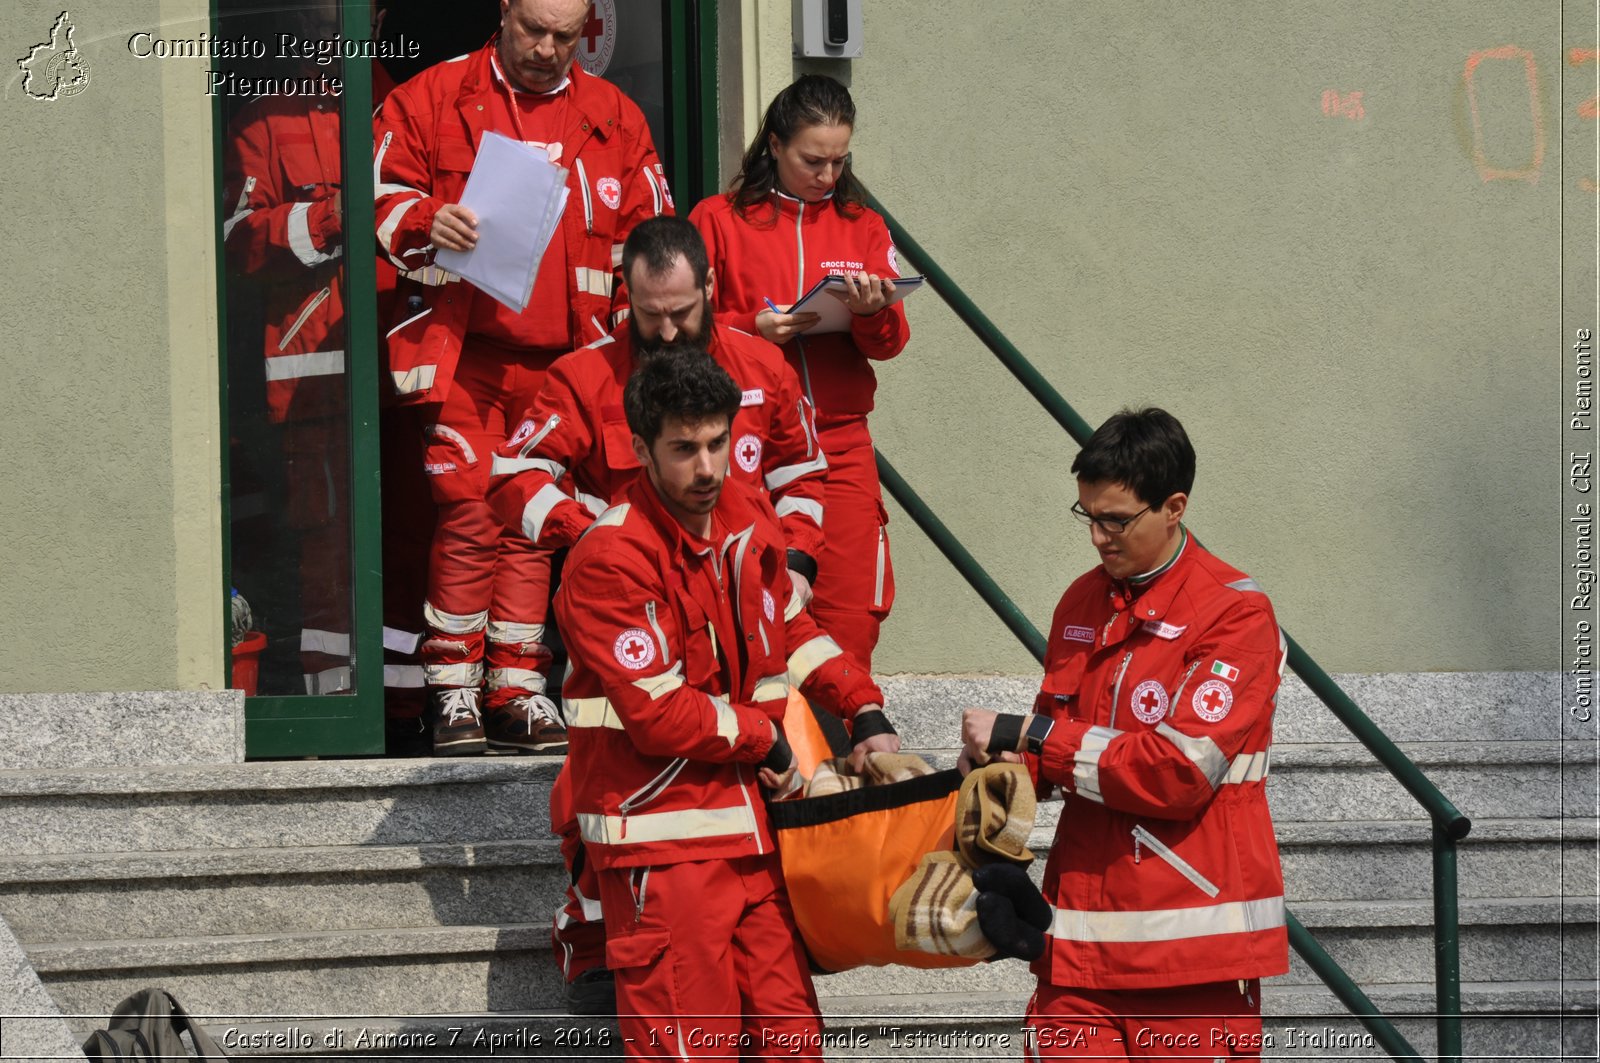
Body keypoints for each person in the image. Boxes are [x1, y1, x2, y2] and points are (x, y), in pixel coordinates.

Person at [484, 215, 831, 1010]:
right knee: (607, 821)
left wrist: (795, 568)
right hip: (630, 646)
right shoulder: (583, 376)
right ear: (624, 297)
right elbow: (513, 478)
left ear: (711, 290)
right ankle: (602, 953)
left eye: (682, 310)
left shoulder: (764, 368)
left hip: (742, 630)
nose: (669, 329)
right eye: (651, 314)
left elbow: (806, 478)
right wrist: (604, 534)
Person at [554, 349, 898, 1056]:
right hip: (661, 838)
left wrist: (863, 707)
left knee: (794, 1042)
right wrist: (766, 740)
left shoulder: (743, 509)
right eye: (683, 449)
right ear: (641, 448)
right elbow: (656, 711)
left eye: (716, 443)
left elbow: (786, 625)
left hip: (752, 835)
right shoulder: (610, 555)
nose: (707, 467)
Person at [373, 0, 672, 755]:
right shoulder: (431, 95)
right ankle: (451, 690)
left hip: (569, 361)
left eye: (564, 36)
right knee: (470, 512)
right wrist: (424, 221)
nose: (545, 48)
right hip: (463, 351)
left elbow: (651, 234)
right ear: (503, 11)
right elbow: (375, 192)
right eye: (532, 29)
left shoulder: (616, 116)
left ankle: (516, 686)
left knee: (534, 521)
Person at [959, 408, 1289, 1059]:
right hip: (1078, 954)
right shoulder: (1081, 601)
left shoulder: (1236, 612)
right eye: (1088, 516)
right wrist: (998, 768)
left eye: (1116, 519)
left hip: (1194, 960)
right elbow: (1056, 748)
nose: (1098, 538)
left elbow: (1178, 771)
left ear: (1174, 506)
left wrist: (1035, 737)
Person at [689, 74, 908, 672]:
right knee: (747, 598)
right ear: (775, 145)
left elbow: (890, 343)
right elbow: (680, 331)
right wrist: (748, 329)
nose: (828, 176)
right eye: (813, 160)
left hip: (841, 439)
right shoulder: (718, 219)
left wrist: (869, 314)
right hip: (747, 444)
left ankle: (846, 739)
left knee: (852, 603)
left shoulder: (862, 224)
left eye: (840, 161)